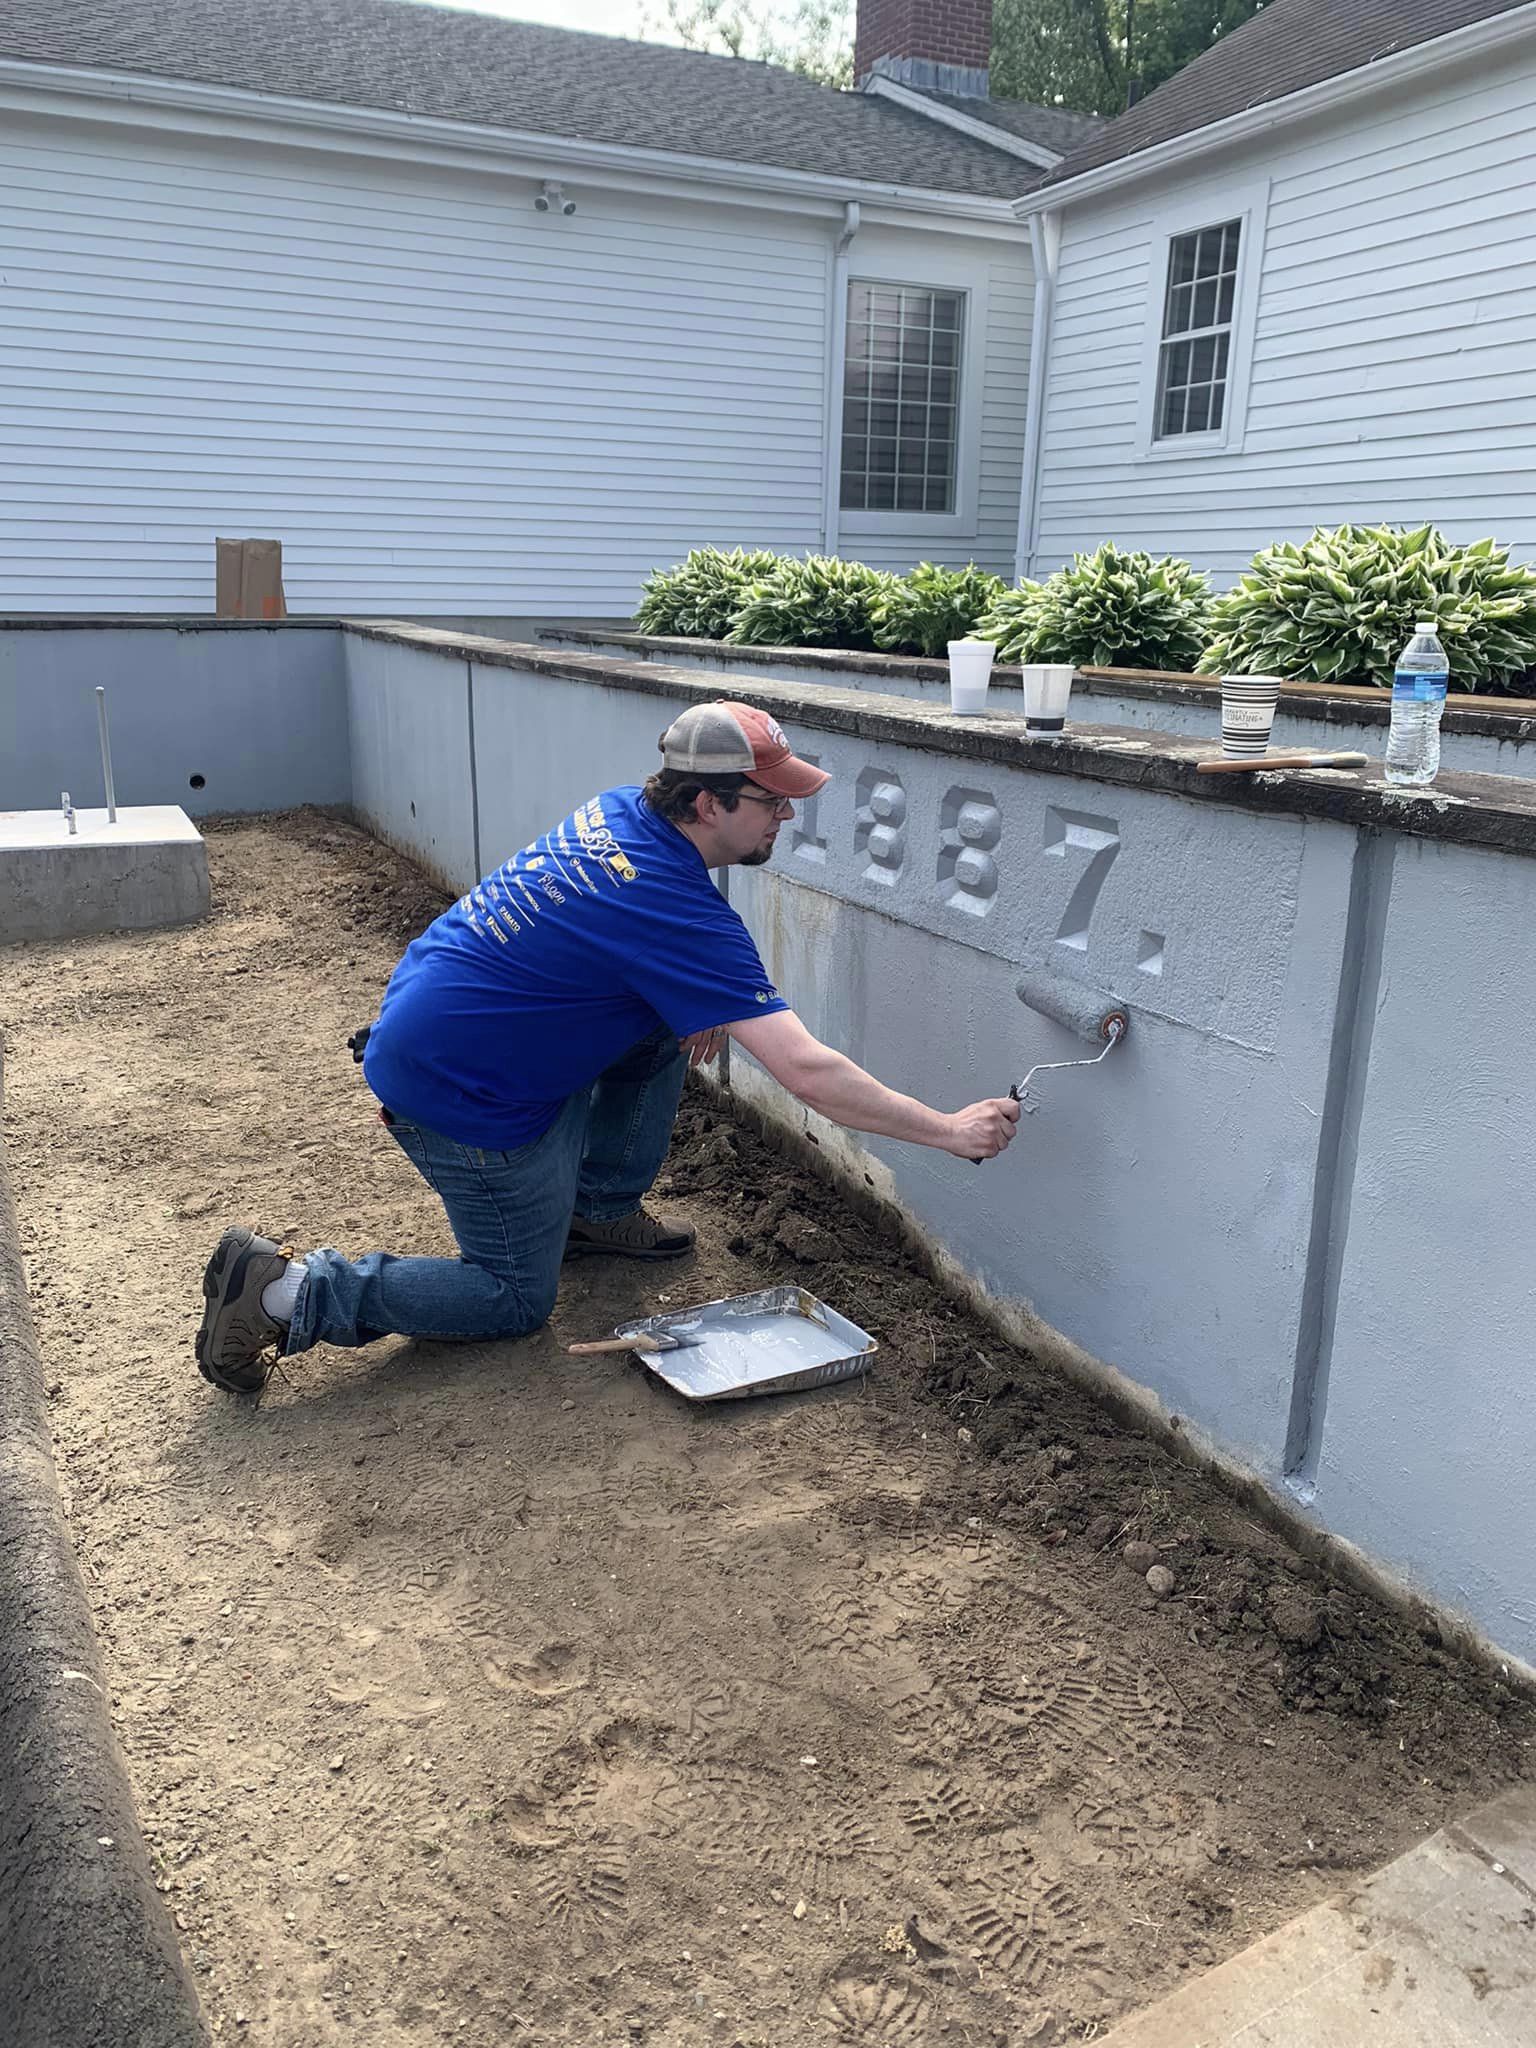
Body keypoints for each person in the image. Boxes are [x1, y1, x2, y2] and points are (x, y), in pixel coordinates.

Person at [195, 700, 1020, 1394]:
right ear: (707, 804)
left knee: (667, 1019)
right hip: (461, 1096)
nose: (788, 814)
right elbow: (807, 1070)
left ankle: (596, 1215)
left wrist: (698, 1001)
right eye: (771, 800)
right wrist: (948, 1131)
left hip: (438, 1023)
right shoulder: (678, 913)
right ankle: (286, 1292)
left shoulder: (624, 812)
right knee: (511, 1299)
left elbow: (620, 952)